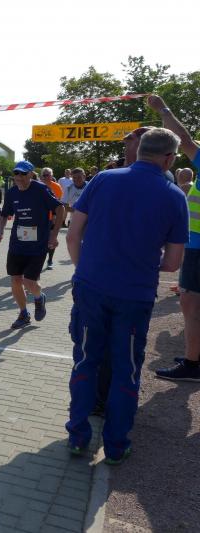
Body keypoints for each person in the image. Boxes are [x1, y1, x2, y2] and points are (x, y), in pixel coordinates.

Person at [64, 127, 188, 464]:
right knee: (126, 368)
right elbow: (173, 262)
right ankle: (116, 445)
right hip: (135, 293)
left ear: (141, 148)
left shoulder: (103, 179)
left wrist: (85, 268)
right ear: (169, 158)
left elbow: (73, 235)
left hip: (91, 286)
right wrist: (139, 261)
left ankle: (77, 437)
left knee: (86, 360)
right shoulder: (174, 195)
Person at [146, 96, 200, 382]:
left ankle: (193, 363)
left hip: (198, 246)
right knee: (191, 303)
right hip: (195, 245)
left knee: (190, 303)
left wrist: (163, 109)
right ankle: (194, 356)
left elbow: (183, 139)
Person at [0, 161, 66, 329]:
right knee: (15, 280)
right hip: (17, 243)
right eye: (16, 173)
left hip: (38, 244)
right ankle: (23, 314)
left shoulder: (41, 190)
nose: (19, 177)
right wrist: (0, 232)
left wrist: (54, 235)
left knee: (29, 282)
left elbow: (60, 209)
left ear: (31, 174)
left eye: (23, 174)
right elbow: (4, 214)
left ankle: (39, 297)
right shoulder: (12, 193)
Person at [40, 167, 63, 270]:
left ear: (52, 176)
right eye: (44, 175)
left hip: (52, 218)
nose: (46, 177)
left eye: (48, 175)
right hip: (40, 218)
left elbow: (59, 204)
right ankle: (39, 260)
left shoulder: (57, 187)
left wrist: (55, 216)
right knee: (40, 240)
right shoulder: (37, 186)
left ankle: (50, 260)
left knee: (52, 239)